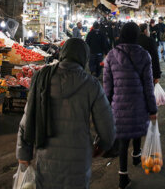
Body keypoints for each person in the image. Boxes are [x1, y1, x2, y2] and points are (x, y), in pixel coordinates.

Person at [16, 38, 116, 189]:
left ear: (63, 53)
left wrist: (24, 153)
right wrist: (103, 145)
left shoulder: (43, 78)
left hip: (47, 157)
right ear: (84, 58)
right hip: (79, 160)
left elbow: (27, 118)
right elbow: (107, 127)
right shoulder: (92, 85)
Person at [103, 22, 158, 189]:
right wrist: (152, 108)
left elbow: (107, 84)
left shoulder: (111, 55)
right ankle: (136, 154)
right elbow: (148, 85)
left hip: (118, 103)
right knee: (135, 127)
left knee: (122, 139)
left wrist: (107, 103)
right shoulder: (144, 55)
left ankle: (123, 176)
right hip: (139, 102)